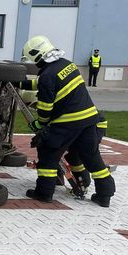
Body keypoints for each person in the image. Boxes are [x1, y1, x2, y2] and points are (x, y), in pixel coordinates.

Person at [20, 35, 115, 207]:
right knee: (93, 158)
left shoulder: (47, 75)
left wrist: (40, 124)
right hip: (89, 120)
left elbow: (45, 108)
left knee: (48, 154)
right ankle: (104, 196)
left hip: (68, 122)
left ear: (37, 55)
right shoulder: (66, 64)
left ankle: (44, 193)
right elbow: (46, 82)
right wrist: (21, 83)